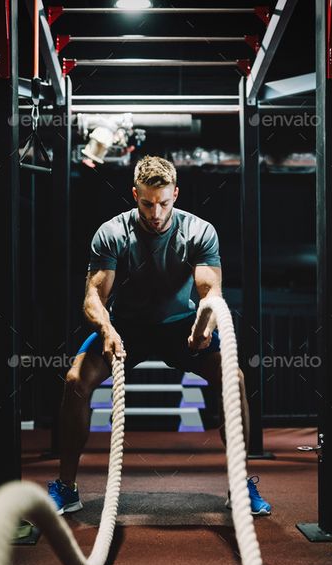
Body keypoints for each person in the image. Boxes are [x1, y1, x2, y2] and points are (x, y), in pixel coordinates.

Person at [47, 155, 271, 517]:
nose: (155, 212)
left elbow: (210, 291)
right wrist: (106, 329)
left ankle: (240, 484)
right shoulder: (112, 233)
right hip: (126, 328)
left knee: (236, 379)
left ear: (176, 194)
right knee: (75, 380)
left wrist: (206, 327)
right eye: (147, 203)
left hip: (182, 328)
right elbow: (93, 297)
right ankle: (67, 487)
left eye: (164, 203)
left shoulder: (199, 231)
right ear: (135, 194)